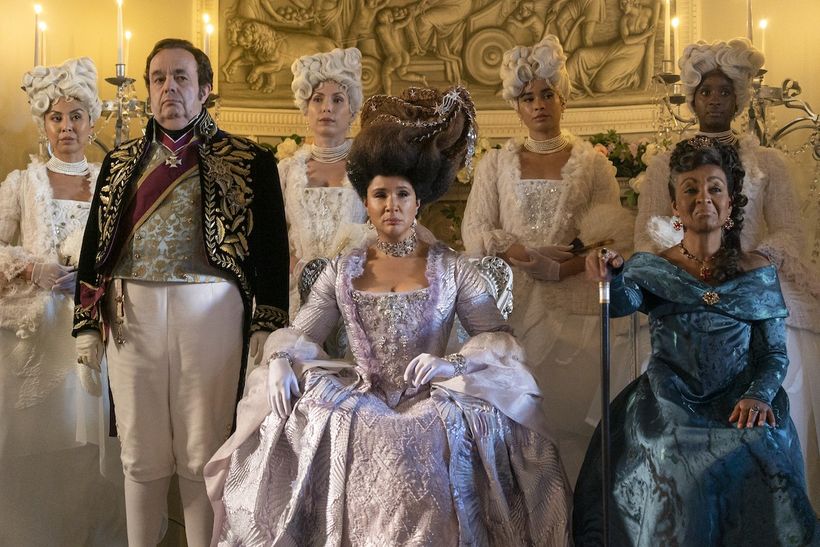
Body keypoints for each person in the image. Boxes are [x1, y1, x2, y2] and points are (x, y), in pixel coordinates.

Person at [204, 86, 573, 545]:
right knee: (309, 420)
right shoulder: (343, 270)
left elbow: (499, 338)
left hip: (431, 400)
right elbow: (303, 332)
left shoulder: (451, 268)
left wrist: (450, 364)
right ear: (366, 201)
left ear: (418, 201)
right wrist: (280, 360)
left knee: (435, 434)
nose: (391, 205)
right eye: (380, 194)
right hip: (361, 395)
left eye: (402, 194)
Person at [72, 39, 289, 546]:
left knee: (202, 449)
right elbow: (94, 243)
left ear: (205, 89)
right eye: (158, 78)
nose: (168, 87)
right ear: (149, 90)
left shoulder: (250, 159)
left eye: (181, 77)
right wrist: (85, 324)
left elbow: (272, 247)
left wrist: (268, 319)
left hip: (211, 315)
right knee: (140, 452)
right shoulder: (120, 162)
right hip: (131, 316)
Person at [574, 137, 817, 545]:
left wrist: (758, 396)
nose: (703, 197)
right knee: (669, 453)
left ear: (729, 203)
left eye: (714, 188)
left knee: (761, 444)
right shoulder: (651, 267)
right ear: (675, 205)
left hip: (741, 397)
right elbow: (620, 304)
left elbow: (774, 353)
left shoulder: (756, 270)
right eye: (690, 189)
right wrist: (610, 276)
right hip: (668, 401)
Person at [634, 38, 820, 506]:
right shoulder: (664, 165)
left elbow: (791, 231)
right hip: (686, 287)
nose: (715, 99)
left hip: (754, 285)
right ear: (691, 98)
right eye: (705, 91)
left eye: (724, 91)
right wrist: (690, 261)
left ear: (739, 97)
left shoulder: (769, 162)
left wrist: (751, 263)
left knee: (779, 361)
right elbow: (647, 235)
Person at [461, 35, 634, 483]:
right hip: (510, 308)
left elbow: (613, 238)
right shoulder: (495, 165)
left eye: (547, 94)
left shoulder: (593, 166)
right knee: (513, 421)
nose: (538, 104)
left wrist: (562, 267)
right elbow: (474, 231)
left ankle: (572, 508)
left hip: (573, 311)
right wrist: (520, 252)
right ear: (516, 107)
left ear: (563, 99)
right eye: (527, 97)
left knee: (568, 425)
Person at [0, 57, 126, 545]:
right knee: (37, 441)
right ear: (44, 124)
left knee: (90, 443)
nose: (67, 127)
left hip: (97, 329)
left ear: (93, 122)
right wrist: (33, 268)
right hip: (35, 333)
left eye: (77, 117)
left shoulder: (112, 184)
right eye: (57, 117)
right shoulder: (22, 183)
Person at [281, 47, 367, 319]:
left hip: (355, 293)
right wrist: (298, 269)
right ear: (306, 109)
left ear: (352, 110)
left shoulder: (368, 168)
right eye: (317, 99)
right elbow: (271, 236)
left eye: (337, 99)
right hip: (297, 294)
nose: (327, 107)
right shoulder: (287, 171)